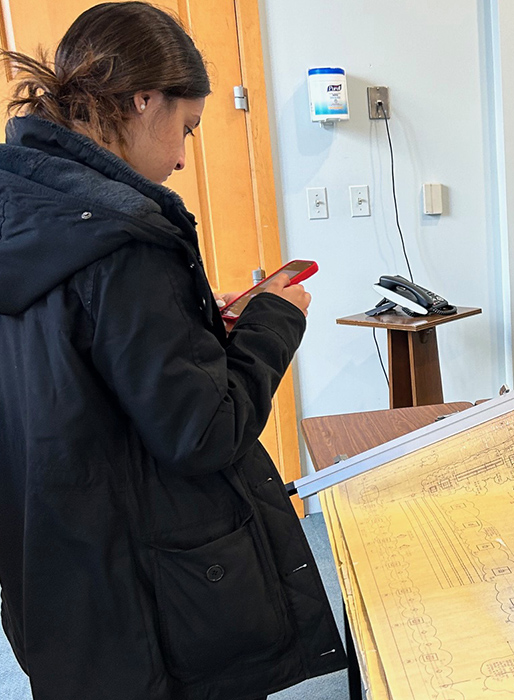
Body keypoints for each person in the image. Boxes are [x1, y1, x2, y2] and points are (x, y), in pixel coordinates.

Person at [0, 3, 345, 698]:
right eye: (186, 127)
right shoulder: (127, 241)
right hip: (158, 594)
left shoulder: (24, 206)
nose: (185, 156)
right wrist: (274, 318)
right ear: (142, 99)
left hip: (55, 568)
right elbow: (202, 433)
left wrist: (187, 328)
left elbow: (74, 365)